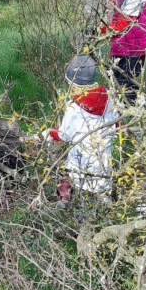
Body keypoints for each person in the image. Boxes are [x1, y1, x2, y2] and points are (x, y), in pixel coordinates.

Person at [42, 55, 119, 204]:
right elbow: (116, 125)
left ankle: (63, 202)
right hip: (103, 164)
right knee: (101, 185)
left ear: (74, 85)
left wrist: (50, 132)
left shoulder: (74, 109)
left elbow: (64, 135)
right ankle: (106, 202)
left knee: (66, 176)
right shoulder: (109, 98)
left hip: (81, 163)